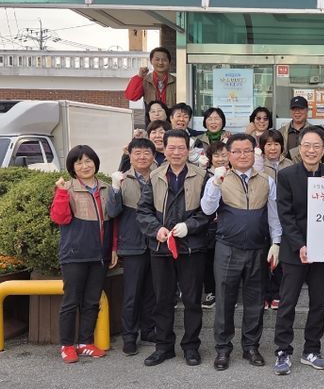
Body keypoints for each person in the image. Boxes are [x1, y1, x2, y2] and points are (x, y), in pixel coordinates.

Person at [200, 134, 282, 371]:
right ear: (228, 155)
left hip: (258, 248)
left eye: (247, 151)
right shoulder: (219, 178)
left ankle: (251, 346)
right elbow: (207, 209)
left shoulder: (266, 180)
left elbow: (274, 215)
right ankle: (223, 349)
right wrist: (215, 184)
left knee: (255, 300)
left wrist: (276, 242)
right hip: (227, 248)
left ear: (255, 153)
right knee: (224, 300)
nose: (242, 155)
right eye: (237, 151)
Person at [137, 129, 210, 367]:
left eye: (181, 147)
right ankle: (163, 346)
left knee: (192, 300)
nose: (176, 152)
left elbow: (208, 212)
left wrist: (190, 226)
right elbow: (143, 210)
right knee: (162, 300)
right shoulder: (155, 176)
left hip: (192, 248)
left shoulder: (202, 176)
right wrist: (155, 229)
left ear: (188, 150)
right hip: (161, 247)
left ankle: (191, 346)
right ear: (164, 149)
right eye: (172, 147)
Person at [273, 126, 324, 375]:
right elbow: (286, 215)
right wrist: (300, 245)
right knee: (287, 302)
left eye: (316, 146)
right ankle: (283, 350)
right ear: (299, 149)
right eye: (306, 146)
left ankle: (312, 349)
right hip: (294, 250)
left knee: (318, 302)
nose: (311, 151)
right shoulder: (287, 175)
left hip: (323, 250)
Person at [49, 145, 115, 363]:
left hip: (100, 254)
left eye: (88, 161)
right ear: (72, 167)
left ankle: (86, 342)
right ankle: (67, 345)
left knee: (92, 300)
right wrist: (60, 193)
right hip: (75, 254)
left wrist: (113, 248)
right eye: (79, 163)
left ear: (95, 163)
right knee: (71, 301)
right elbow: (59, 218)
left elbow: (113, 221)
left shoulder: (106, 188)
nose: (85, 166)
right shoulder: (67, 188)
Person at [107, 138, 157, 356]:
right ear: (130, 155)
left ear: (153, 156)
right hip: (132, 244)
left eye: (147, 153)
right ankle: (129, 336)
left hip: (156, 243)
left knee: (152, 292)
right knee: (131, 294)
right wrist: (115, 189)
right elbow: (112, 212)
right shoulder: (122, 179)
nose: (142, 157)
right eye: (137, 153)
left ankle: (148, 330)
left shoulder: (160, 177)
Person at [254, 129, 293, 310]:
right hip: (261, 215)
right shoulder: (257, 164)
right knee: (262, 255)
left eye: (276, 144)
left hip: (284, 213)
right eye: (268, 144)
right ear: (262, 147)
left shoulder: (290, 164)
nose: (272, 148)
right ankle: (263, 294)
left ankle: (277, 292)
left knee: (280, 253)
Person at [200, 141, 231, 310]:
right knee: (209, 260)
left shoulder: (234, 174)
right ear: (210, 158)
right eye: (216, 155)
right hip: (209, 226)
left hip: (229, 225)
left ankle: (228, 294)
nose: (220, 159)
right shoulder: (204, 175)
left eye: (224, 155)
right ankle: (211, 291)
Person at [279, 96, 312, 160]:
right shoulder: (281, 132)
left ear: (307, 110)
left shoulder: (314, 132)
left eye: (300, 108)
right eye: (294, 109)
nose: (297, 112)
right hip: (287, 165)